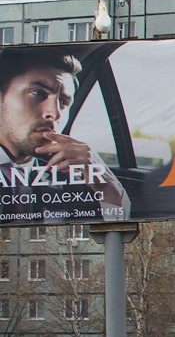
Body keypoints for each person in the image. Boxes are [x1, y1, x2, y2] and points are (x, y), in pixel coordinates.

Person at [0, 48, 130, 225]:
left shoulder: (73, 179)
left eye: (63, 102)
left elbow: (114, 234)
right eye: (38, 93)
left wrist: (109, 188)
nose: (54, 113)